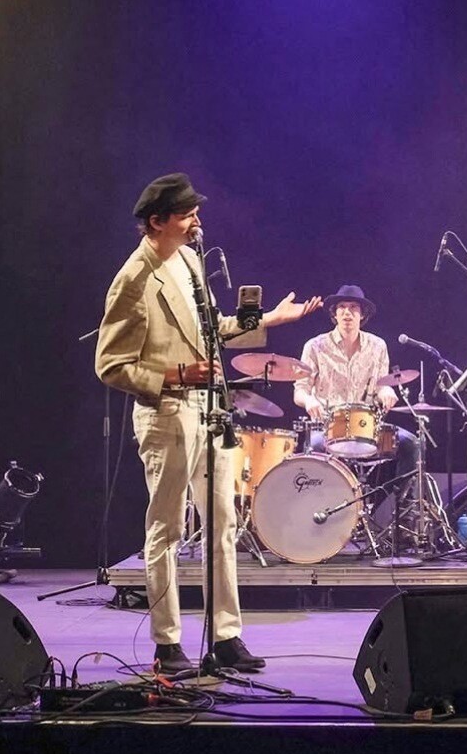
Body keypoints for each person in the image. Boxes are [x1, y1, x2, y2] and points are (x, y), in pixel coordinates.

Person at [94, 173, 320, 674]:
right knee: (168, 527)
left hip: (209, 410)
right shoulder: (133, 279)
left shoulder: (190, 260)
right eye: (187, 213)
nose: (197, 221)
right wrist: (177, 372)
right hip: (167, 414)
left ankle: (225, 636)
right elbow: (109, 364)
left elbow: (210, 326)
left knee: (222, 524)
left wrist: (269, 321)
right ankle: (167, 643)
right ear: (157, 222)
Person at [292, 285, 421, 526]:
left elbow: (382, 384)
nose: (347, 313)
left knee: (411, 444)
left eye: (353, 308)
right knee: (316, 447)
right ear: (334, 314)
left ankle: (404, 519)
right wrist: (309, 400)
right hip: (329, 426)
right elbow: (300, 390)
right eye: (341, 307)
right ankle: (320, 516)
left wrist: (387, 392)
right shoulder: (315, 346)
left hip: (367, 426)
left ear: (363, 315)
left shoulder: (377, 346)